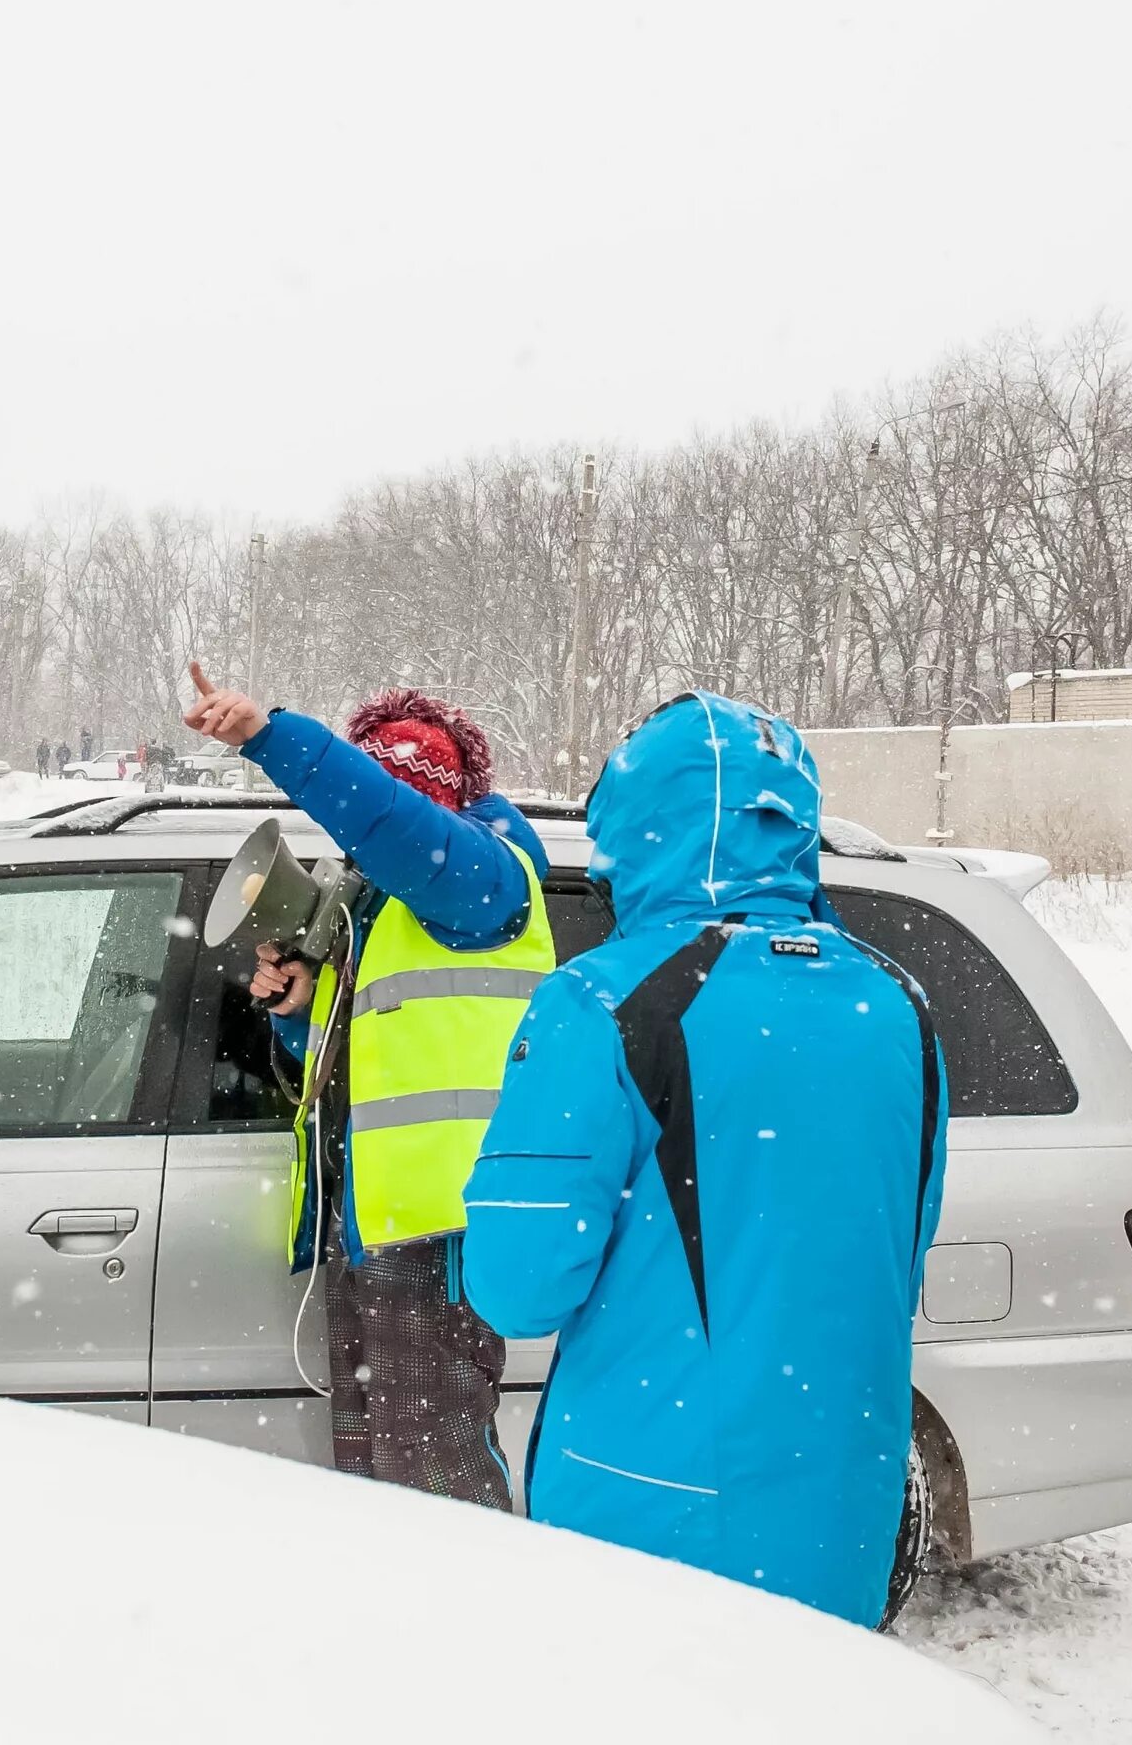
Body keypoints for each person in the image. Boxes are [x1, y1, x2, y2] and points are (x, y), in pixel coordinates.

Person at [460, 692, 946, 1623]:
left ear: (638, 826)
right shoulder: (898, 1003)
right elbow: (902, 1248)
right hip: (843, 1505)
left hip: (644, 1506)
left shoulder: (599, 1001)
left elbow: (517, 1288)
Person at [182, 666, 553, 1507]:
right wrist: (297, 1011)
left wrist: (269, 737)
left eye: (397, 791)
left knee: (438, 1477)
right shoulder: (386, 911)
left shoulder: (486, 881)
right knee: (379, 1481)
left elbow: (391, 820)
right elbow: (366, 1064)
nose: (367, 827)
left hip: (438, 1233)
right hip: (378, 1228)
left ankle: (474, 1625)